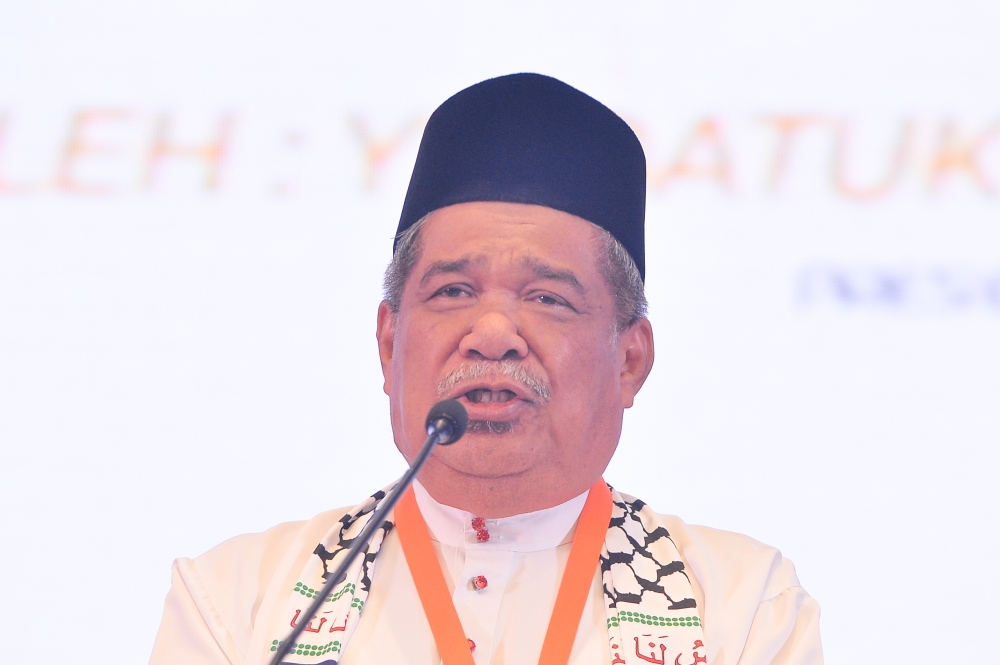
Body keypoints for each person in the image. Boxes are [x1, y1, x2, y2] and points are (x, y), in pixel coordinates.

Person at [149, 73, 823, 665]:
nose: (493, 334)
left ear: (630, 360)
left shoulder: (743, 611)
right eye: (453, 292)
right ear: (388, 343)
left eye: (547, 298)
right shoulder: (238, 605)